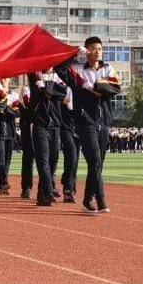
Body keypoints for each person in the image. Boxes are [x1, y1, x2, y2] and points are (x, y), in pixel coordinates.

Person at [56, 36, 121, 213]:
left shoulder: (108, 69)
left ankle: (89, 200)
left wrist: (93, 86)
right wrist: (74, 53)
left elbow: (116, 88)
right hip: (85, 121)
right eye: (94, 48)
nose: (98, 51)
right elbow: (59, 68)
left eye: (100, 48)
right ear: (87, 51)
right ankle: (99, 199)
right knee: (95, 159)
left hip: (104, 121)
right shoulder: (77, 70)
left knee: (97, 164)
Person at [27, 69, 67, 207]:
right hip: (39, 123)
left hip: (55, 123)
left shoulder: (58, 76)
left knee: (52, 160)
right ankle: (49, 190)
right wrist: (49, 89)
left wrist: (46, 87)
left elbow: (63, 92)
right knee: (42, 158)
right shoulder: (35, 74)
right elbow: (40, 94)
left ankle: (42, 195)